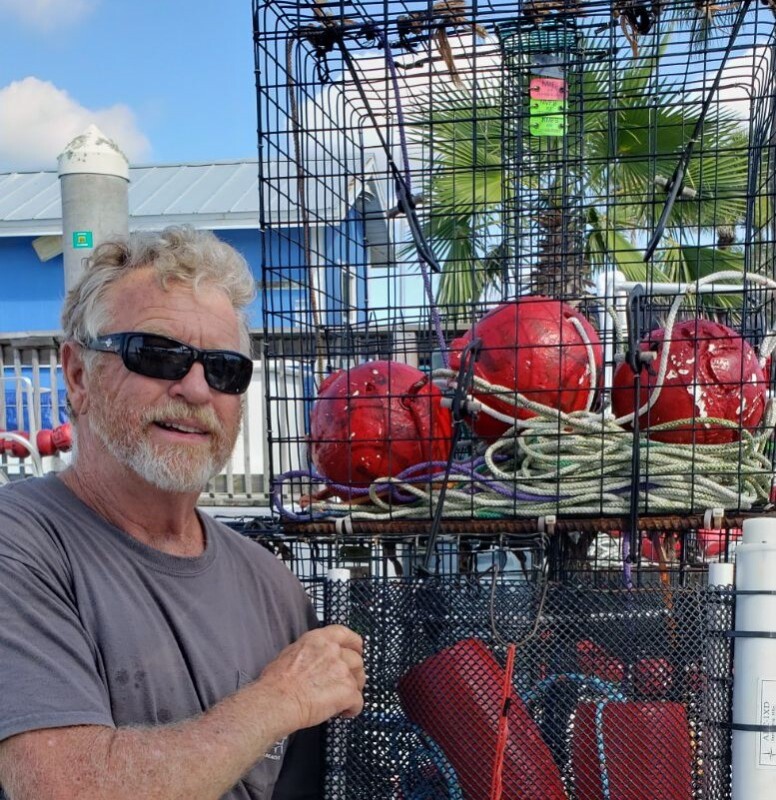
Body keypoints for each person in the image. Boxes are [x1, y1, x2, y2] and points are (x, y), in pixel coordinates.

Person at [0, 226, 365, 799]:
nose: (196, 390)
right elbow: (64, 787)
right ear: (78, 375)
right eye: (157, 355)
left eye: (224, 368)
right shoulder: (21, 546)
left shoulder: (274, 587)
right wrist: (279, 699)